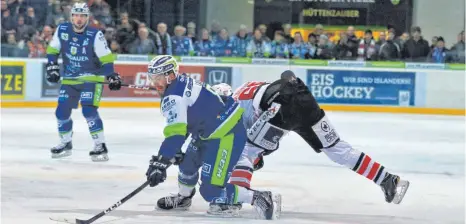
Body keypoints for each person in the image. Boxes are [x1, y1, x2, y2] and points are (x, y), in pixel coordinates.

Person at [211, 70, 410, 205]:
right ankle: (386, 179)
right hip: (301, 95)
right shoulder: (245, 87)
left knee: (245, 150)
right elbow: (285, 79)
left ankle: (237, 195)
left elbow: (255, 146)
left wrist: (254, 159)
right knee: (336, 149)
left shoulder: (231, 109)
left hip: (279, 107)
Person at [144, 55, 281, 220]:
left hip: (226, 135)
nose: (154, 84)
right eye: (152, 78)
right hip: (208, 131)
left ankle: (260, 198)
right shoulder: (181, 82)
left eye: (158, 78)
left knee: (210, 191)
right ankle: (183, 198)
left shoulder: (174, 97)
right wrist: (172, 152)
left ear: (171, 75)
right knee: (187, 164)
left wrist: (161, 161)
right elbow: (187, 119)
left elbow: (176, 133)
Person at [45, 2, 122, 162]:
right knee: (61, 112)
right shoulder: (62, 29)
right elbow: (52, 50)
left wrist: (111, 75)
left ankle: (100, 145)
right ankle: (65, 143)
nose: (79, 19)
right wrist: (52, 66)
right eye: (76, 15)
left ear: (87, 18)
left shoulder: (95, 34)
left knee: (88, 111)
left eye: (83, 16)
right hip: (70, 79)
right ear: (71, 16)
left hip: (92, 79)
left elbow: (106, 58)